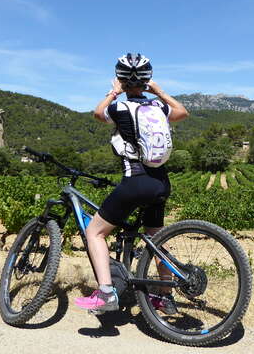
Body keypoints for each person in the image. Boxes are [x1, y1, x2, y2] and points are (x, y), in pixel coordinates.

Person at [75, 53, 189, 313]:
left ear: (121, 80)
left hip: (136, 181)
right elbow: (183, 112)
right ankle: (164, 296)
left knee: (95, 232)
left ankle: (105, 293)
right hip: (161, 183)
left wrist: (113, 92)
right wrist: (159, 92)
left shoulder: (119, 108)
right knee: (157, 238)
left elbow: (97, 113)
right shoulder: (158, 107)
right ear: (147, 79)